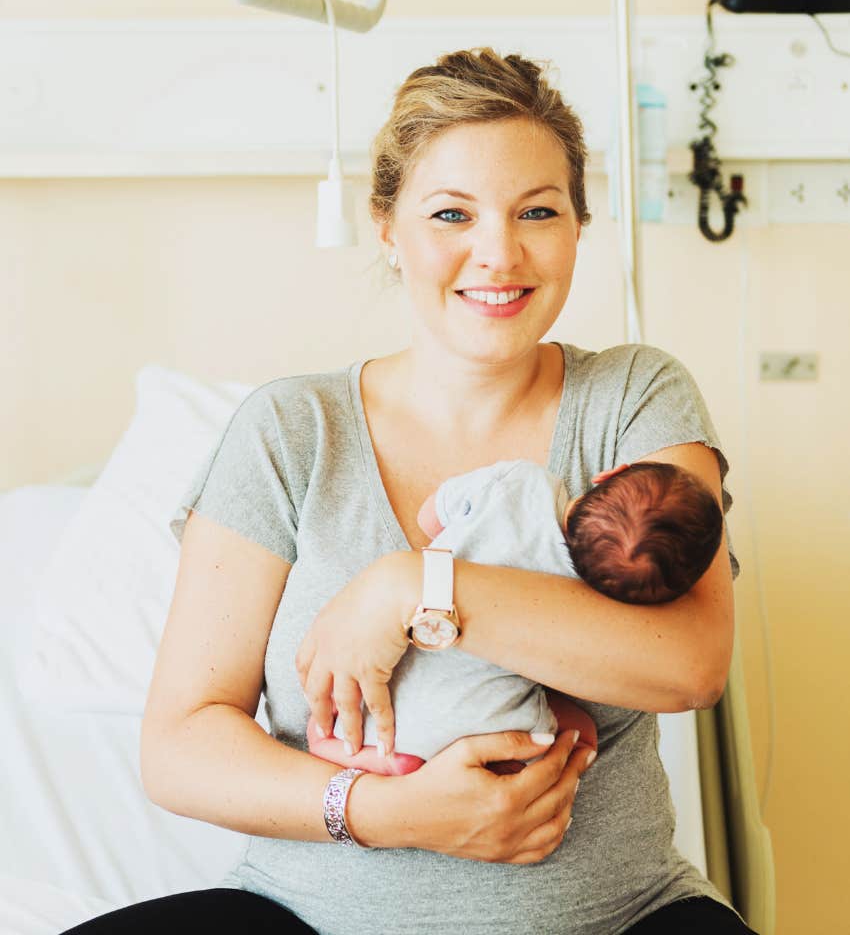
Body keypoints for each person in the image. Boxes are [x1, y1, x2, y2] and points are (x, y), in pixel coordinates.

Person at [64, 47, 756, 934]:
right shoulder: (290, 431)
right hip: (306, 917)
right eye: (451, 214)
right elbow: (181, 746)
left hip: (616, 918)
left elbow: (690, 663)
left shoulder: (633, 399)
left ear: (580, 224)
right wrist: (386, 812)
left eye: (537, 211)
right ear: (388, 227)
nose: (498, 254)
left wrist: (415, 590)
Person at [313, 459, 722, 776]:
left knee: (329, 720)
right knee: (578, 732)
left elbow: (429, 518)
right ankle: (399, 765)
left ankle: (331, 746)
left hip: (380, 703)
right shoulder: (587, 602)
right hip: (478, 730)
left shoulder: (523, 482)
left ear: (611, 473)